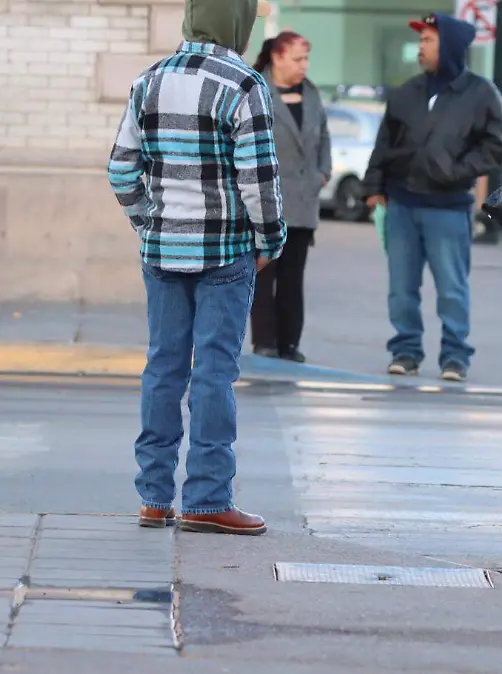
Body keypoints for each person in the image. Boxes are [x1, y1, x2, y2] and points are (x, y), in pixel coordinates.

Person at [107, 0, 285, 536]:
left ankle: (154, 498)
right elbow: (258, 180)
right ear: (237, 22)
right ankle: (207, 500)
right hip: (225, 252)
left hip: (162, 253)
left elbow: (121, 170)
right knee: (213, 373)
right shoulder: (244, 84)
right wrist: (270, 238)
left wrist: (150, 223)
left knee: (163, 367)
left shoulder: (148, 82)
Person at [362, 13, 502, 382]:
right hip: (402, 205)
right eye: (421, 40)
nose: (421, 47)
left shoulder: (480, 93)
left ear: (451, 47)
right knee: (401, 289)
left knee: (452, 289)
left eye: (428, 40)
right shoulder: (406, 92)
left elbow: (494, 149)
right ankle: (405, 351)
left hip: (448, 207)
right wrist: (374, 187)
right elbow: (384, 143)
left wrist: (454, 172)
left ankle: (455, 356)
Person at [249, 31, 331, 364]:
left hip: (303, 201)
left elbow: (324, 138)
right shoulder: (257, 91)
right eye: (298, 59)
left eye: (306, 59)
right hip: (267, 201)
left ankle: (289, 343)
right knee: (264, 274)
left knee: (293, 279)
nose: (304, 66)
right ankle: (264, 341)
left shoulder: (311, 94)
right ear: (278, 57)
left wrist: (322, 174)